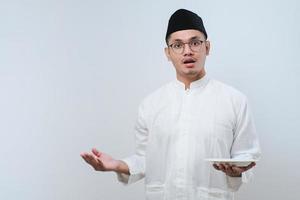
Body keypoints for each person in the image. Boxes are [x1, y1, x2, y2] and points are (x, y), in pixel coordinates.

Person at [81, 8, 261, 200]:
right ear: (167, 53)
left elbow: (246, 154)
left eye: (195, 42)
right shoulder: (151, 104)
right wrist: (117, 164)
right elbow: (145, 159)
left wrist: (237, 171)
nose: (187, 51)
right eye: (177, 45)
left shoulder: (234, 100)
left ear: (207, 47)